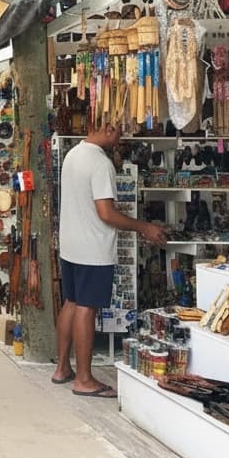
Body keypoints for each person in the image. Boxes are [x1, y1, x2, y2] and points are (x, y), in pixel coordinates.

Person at [52, 124, 167, 396]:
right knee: (86, 308)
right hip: (92, 248)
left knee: (72, 301)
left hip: (71, 244)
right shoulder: (100, 163)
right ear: (104, 128)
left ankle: (62, 369)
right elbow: (106, 213)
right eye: (118, 130)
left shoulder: (73, 155)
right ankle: (83, 379)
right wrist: (144, 227)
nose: (121, 136)